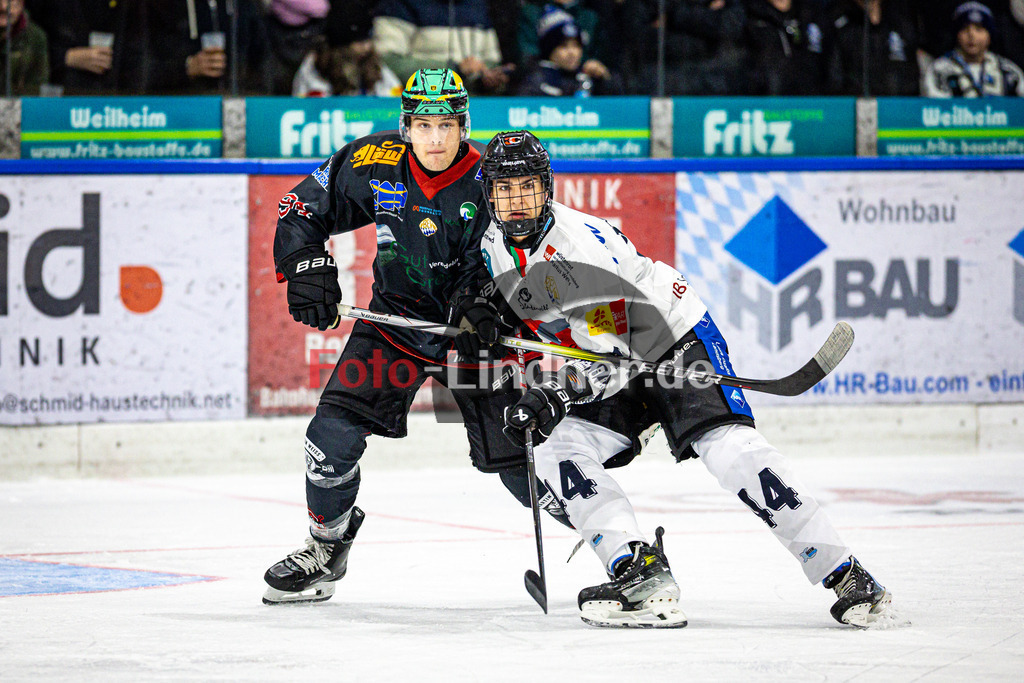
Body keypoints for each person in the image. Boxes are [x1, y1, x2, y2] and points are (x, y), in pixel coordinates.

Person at [464, 129, 896, 628]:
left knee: (730, 450)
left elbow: (617, 357)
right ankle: (636, 568)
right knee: (559, 450)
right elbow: (537, 306)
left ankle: (845, 572)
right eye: (505, 189)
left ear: (548, 187)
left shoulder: (581, 254)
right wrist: (486, 313)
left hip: (670, 339)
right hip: (605, 356)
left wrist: (556, 393)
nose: (517, 202)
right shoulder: (494, 241)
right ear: (489, 194)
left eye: (528, 187)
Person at [263, 68, 546, 605]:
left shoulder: (492, 176)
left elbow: (527, 251)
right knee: (329, 442)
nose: (435, 139)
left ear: (463, 126)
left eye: (446, 125)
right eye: (423, 125)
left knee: (524, 468)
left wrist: (489, 302)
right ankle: (326, 547)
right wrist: (305, 266)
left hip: (476, 336)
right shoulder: (373, 161)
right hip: (396, 324)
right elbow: (300, 209)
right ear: (405, 125)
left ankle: (619, 551)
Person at [372, 0, 514, 93]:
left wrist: (489, 76)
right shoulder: (400, 4)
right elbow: (386, 61)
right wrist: (453, 71)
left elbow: (492, 60)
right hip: (419, 107)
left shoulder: (478, 5)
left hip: (474, 108)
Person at [292, 2, 402, 96]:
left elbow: (393, 95)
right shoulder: (318, 64)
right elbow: (307, 105)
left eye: (368, 40)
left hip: (367, 117)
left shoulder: (373, 63)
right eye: (359, 42)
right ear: (343, 44)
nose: (366, 47)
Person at [923, 1, 1024, 97]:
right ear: (956, 35)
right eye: (964, 29)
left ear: (990, 35)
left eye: (979, 29)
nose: (972, 35)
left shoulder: (1009, 72)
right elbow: (935, 108)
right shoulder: (939, 70)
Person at [516, 6, 623, 96]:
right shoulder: (535, 81)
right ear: (549, 49)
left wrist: (605, 79)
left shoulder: (587, 79)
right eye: (564, 46)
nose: (572, 52)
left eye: (576, 46)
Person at [825, 0, 920, 96]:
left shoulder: (901, 18)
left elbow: (912, 72)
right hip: (853, 105)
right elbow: (834, 78)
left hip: (900, 105)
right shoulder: (838, 20)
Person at [743, 0, 831, 95]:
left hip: (813, 98)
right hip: (766, 100)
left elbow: (830, 58)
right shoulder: (749, 17)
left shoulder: (812, 15)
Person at [0, 0, 49, 96]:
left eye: (11, 2)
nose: (4, 7)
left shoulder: (35, 37)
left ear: (21, 5)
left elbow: (37, 84)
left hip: (19, 106)